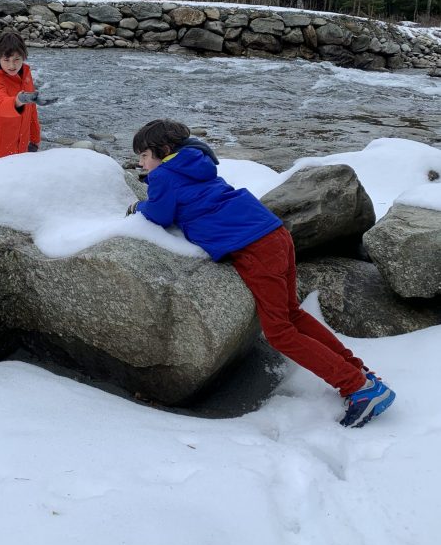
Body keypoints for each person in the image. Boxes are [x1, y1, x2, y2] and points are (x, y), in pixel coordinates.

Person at [126, 118, 396, 428]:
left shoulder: (164, 176)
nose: (140, 162)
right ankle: (360, 374)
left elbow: (159, 213)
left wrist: (138, 207)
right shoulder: (195, 164)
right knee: (292, 315)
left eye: (144, 156)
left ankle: (358, 388)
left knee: (279, 332)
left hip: (254, 248)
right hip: (274, 233)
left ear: (163, 151)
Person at [0, 31, 43, 161]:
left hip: (21, 143)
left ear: (23, 57)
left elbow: (31, 110)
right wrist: (18, 101)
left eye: (16, 59)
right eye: (6, 60)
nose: (12, 65)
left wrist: (35, 139)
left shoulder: (25, 75)